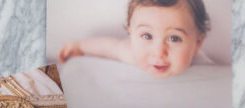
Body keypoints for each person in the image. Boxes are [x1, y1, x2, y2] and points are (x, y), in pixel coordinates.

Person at [57, 0, 210, 79]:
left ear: (198, 43)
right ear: (130, 33)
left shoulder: (206, 68)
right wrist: (79, 46)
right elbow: (109, 47)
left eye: (174, 38)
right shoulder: (130, 52)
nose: (158, 52)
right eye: (147, 36)